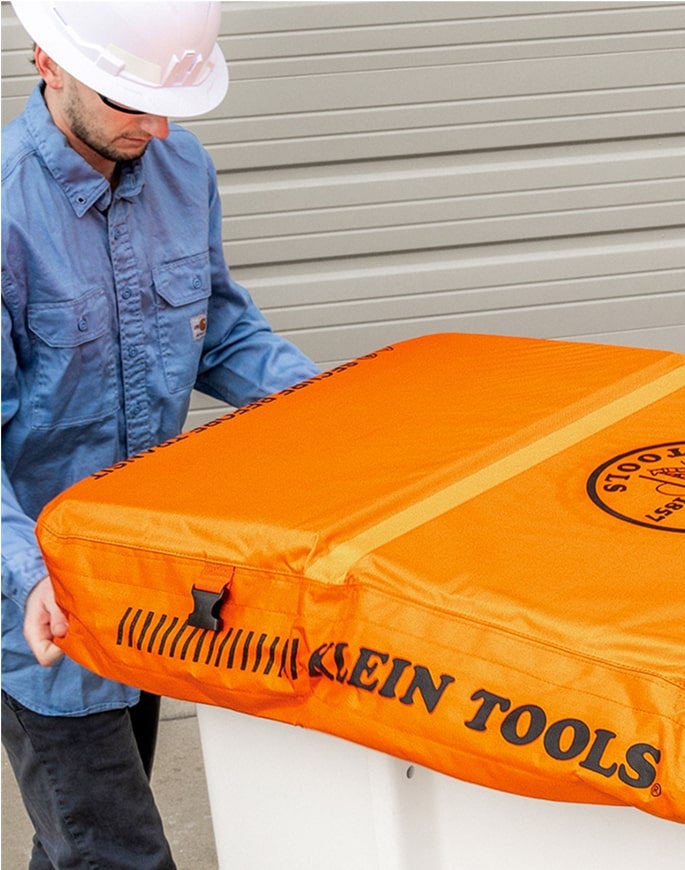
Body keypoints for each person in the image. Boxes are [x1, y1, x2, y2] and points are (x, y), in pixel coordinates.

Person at [1, 2, 320, 866]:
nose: (159, 125)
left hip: (144, 577)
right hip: (42, 605)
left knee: (78, 837)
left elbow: (221, 329)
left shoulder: (180, 167)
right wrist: (29, 574)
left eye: (170, 101)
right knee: (119, 852)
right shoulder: (4, 218)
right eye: (130, 102)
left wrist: (331, 404)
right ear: (49, 64)